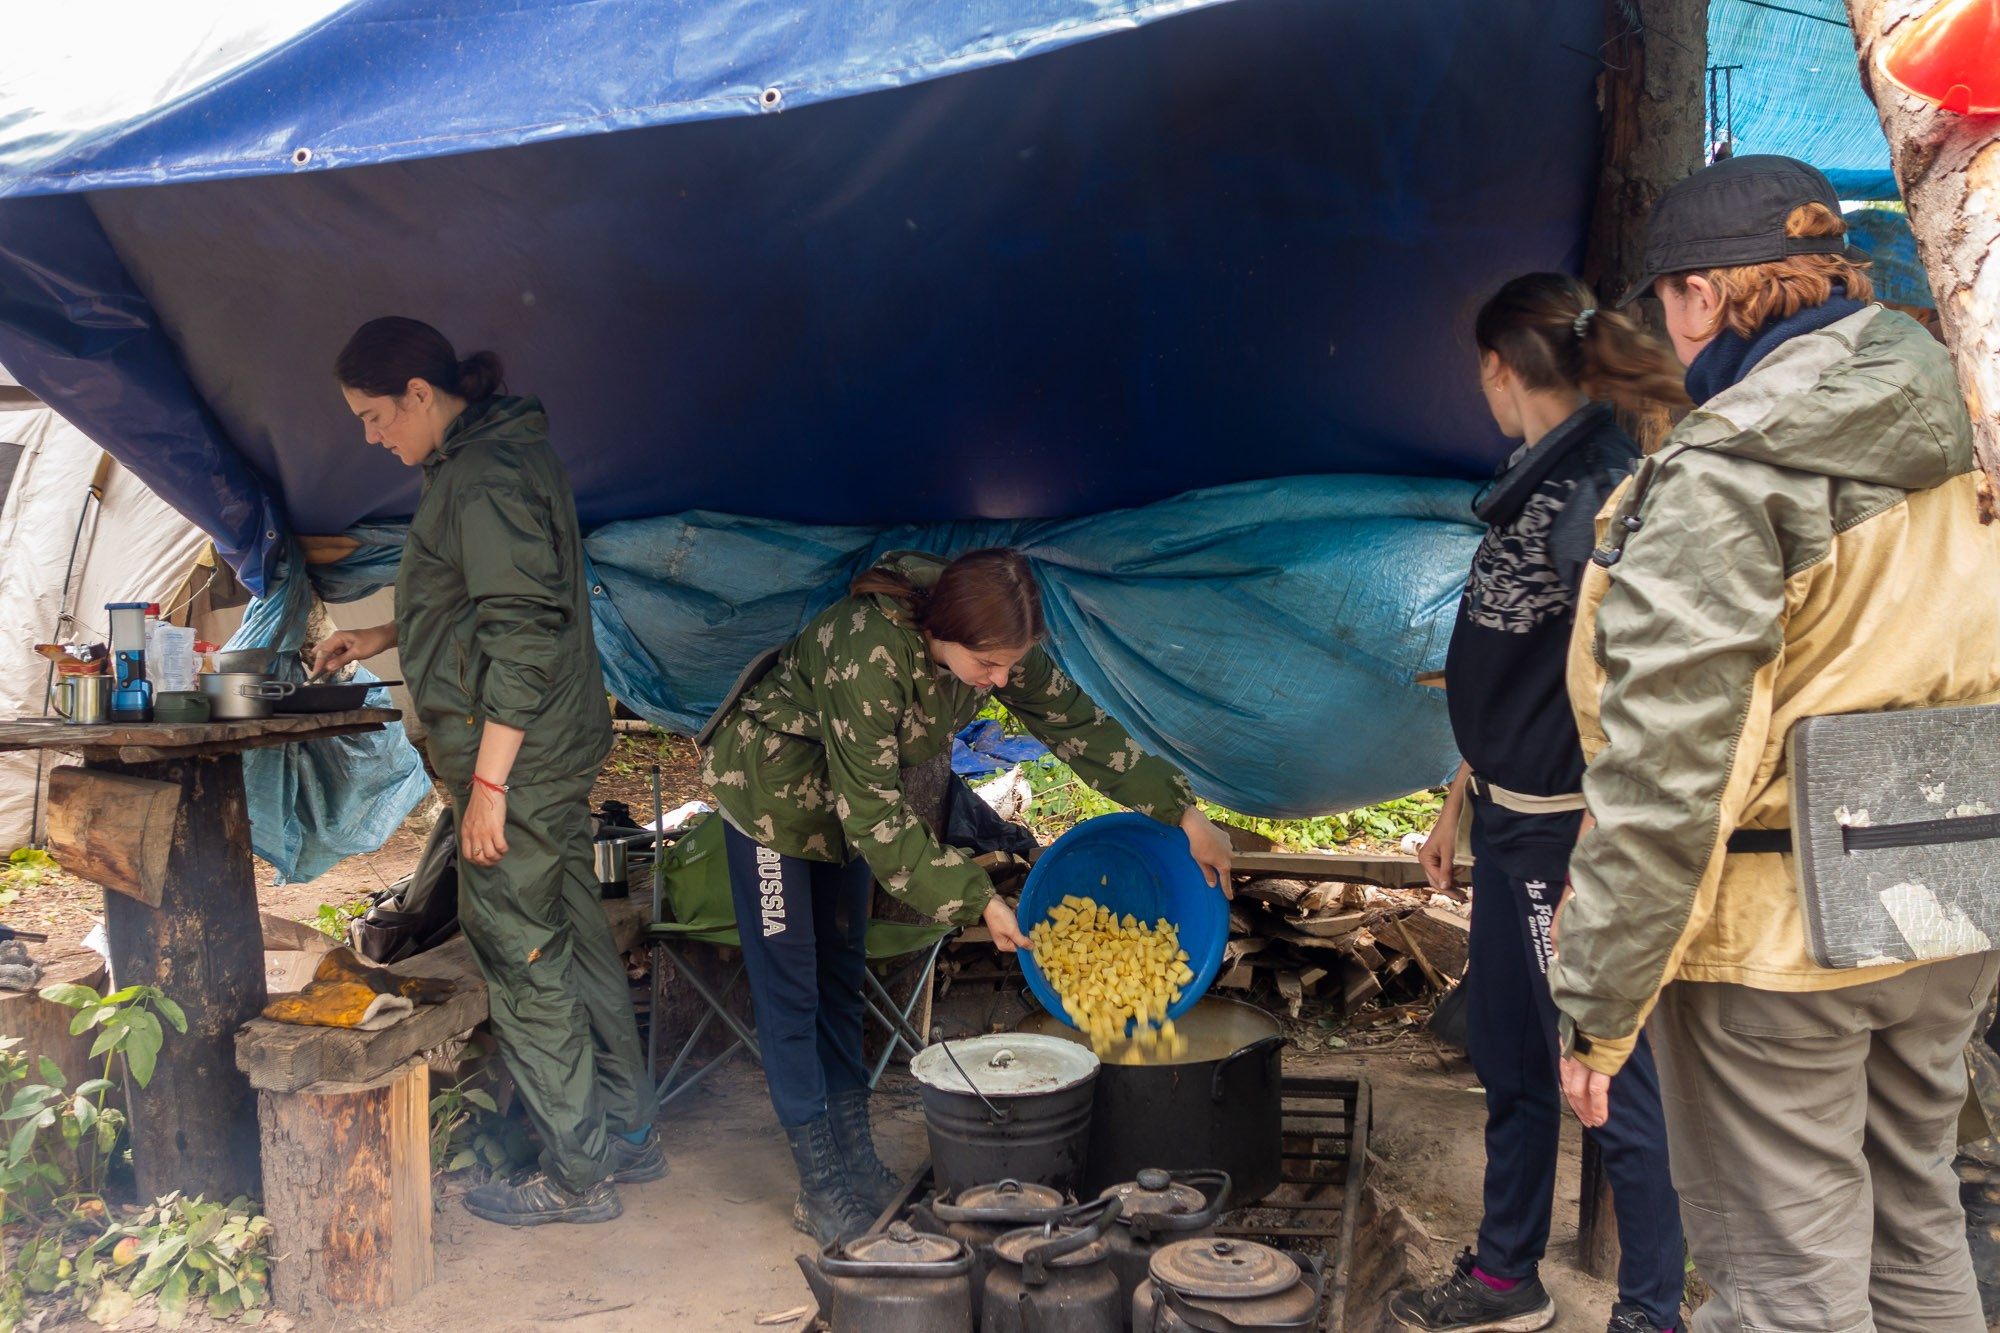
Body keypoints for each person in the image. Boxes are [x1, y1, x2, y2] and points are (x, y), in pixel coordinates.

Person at [1548, 155, 2000, 1331]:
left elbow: (1668, 775)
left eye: (1666, 307)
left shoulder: (1726, 473)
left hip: (1776, 937)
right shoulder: (1971, 411)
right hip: (1946, 895)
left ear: (1697, 295)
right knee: (1914, 1220)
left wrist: (1599, 1003)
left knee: (1784, 1282)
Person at [702, 548, 1235, 1244]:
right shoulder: (868, 651)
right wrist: (977, 896)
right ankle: (820, 1182)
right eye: (990, 665)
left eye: (1011, 664)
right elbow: (877, 815)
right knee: (792, 987)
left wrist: (1184, 812)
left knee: (842, 974)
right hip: (771, 792)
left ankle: (854, 1157)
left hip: (848, 810)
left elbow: (1080, 727)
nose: (1002, 679)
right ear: (943, 631)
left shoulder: (990, 640)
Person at [315, 317, 661, 1226]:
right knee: (576, 933)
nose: (370, 435)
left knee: (522, 948)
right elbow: (487, 596)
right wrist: (386, 633)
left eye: (374, 415)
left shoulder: (484, 476)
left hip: (521, 756)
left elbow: (524, 632)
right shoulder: (497, 453)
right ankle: (628, 1130)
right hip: (549, 745)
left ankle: (579, 1175)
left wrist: (492, 786)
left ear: (420, 395)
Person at [1391, 275, 1688, 1333]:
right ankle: (1506, 1275)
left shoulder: (1595, 494)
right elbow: (1521, 670)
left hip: (1570, 835)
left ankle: (1650, 1310)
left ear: (1495, 367)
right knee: (1509, 1046)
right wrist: (1456, 799)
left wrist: (1598, 850)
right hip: (1511, 819)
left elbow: (1634, 688)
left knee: (1602, 1067)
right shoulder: (1536, 482)